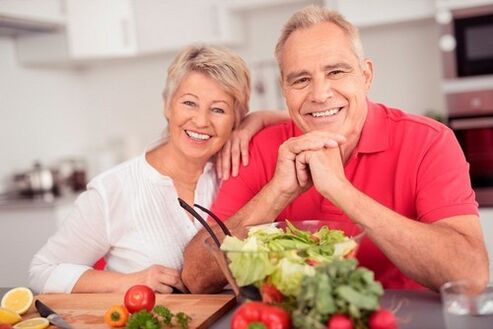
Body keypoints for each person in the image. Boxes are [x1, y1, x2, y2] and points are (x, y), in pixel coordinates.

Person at [182, 5, 489, 293]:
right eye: (301, 79)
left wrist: (341, 191)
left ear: (366, 75)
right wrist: (279, 191)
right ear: (284, 90)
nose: (320, 94)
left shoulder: (429, 142)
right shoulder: (259, 148)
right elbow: (196, 277)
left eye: (336, 72)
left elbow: (470, 277)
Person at [29, 44, 288, 294]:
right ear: (167, 105)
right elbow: (42, 271)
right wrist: (127, 282)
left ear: (236, 118)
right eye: (189, 103)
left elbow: (305, 119)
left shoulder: (237, 169)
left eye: (218, 109)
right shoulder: (113, 189)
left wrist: (257, 119)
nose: (200, 120)